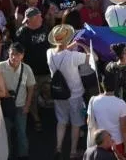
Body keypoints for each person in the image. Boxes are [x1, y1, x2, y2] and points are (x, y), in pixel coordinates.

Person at [46, 23, 93, 158]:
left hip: (58, 93)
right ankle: (73, 151)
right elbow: (92, 58)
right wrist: (83, 46)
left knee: (61, 121)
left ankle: (58, 147)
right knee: (76, 123)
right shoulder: (73, 56)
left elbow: (61, 51)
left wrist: (69, 47)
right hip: (75, 94)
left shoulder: (49, 53)